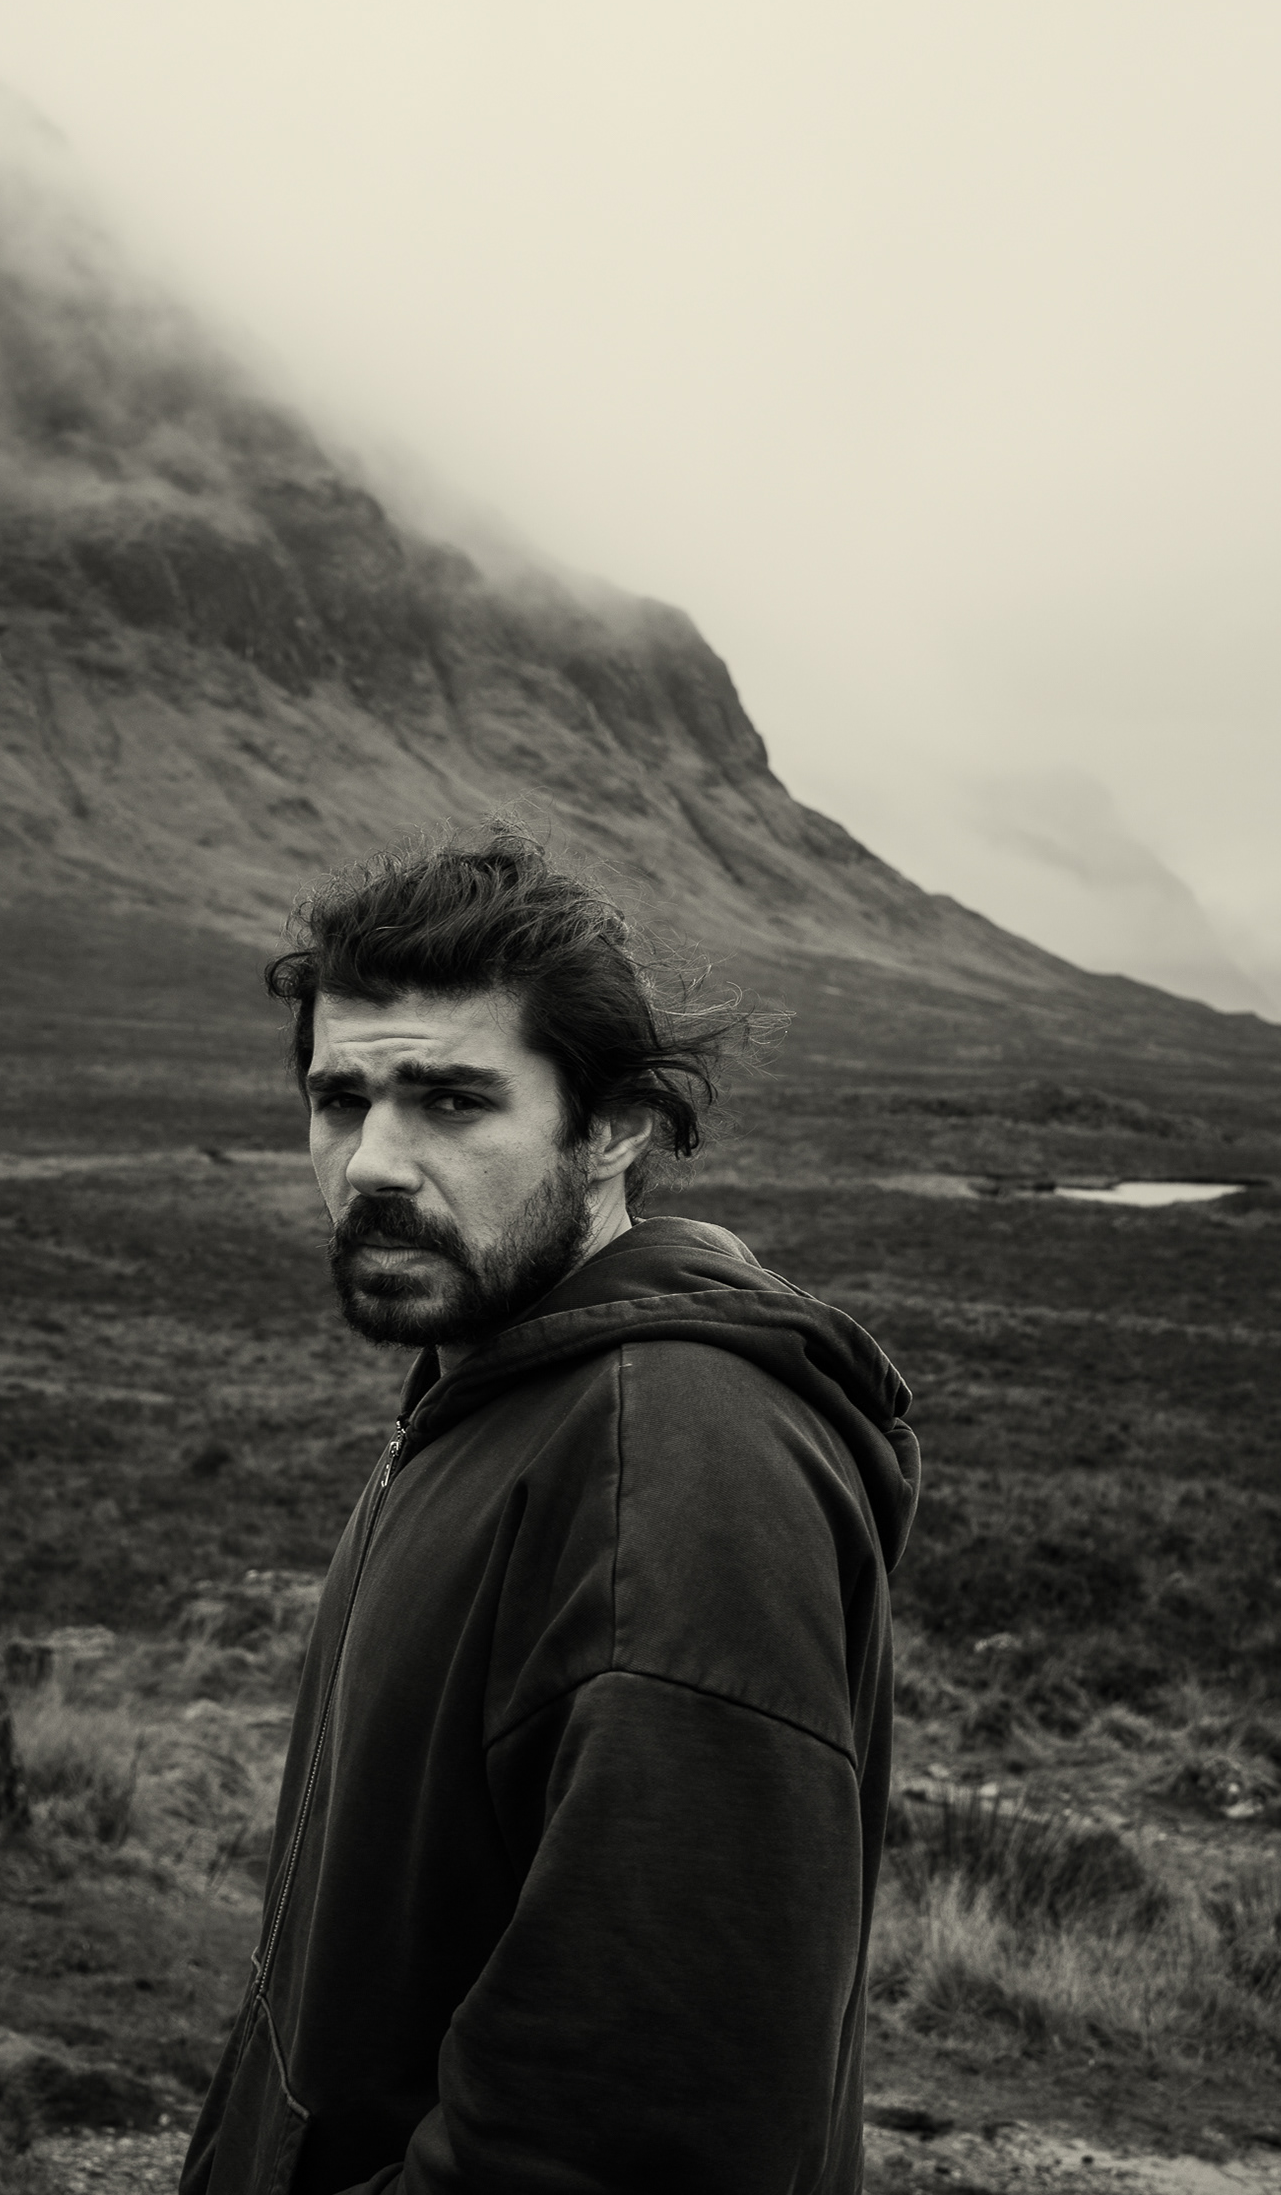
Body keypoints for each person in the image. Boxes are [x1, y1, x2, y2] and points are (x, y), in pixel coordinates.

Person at [180, 827, 920, 2195]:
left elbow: (640, 2128)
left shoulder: (673, 1466)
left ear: (616, 1128)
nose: (372, 1165)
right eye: (341, 1101)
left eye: (454, 1102)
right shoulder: (497, 1395)